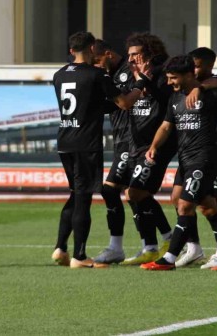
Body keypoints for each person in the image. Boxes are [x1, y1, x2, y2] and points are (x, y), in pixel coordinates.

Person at [141, 55, 217, 271]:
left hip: (205, 159)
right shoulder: (175, 97)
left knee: (185, 205)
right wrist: (153, 147)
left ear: (189, 75)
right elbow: (166, 126)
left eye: (173, 78)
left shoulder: (212, 96)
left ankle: (169, 259)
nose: (169, 82)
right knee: (206, 206)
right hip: (185, 159)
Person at [51, 32, 143, 269]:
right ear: (92, 48)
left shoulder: (59, 74)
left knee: (75, 193)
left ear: (71, 51)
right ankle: (80, 256)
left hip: (65, 140)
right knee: (83, 198)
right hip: (86, 143)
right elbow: (124, 103)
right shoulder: (97, 74)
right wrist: (140, 85)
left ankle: (61, 248)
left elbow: (90, 106)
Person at [171, 47, 217, 269]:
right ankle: (193, 247)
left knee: (215, 201)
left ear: (209, 66)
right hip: (192, 152)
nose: (193, 70)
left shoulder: (216, 85)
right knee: (178, 197)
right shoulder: (183, 89)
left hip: (216, 150)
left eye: (197, 66)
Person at [119, 33, 176, 266]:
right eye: (129, 55)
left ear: (150, 53)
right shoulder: (129, 75)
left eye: (136, 54)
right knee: (135, 195)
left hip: (156, 145)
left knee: (134, 193)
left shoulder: (163, 74)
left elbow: (165, 99)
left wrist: (145, 79)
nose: (131, 59)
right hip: (135, 143)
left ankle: (170, 239)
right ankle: (150, 247)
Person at [91, 39, 135, 265]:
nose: (96, 66)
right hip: (121, 138)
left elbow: (124, 102)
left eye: (97, 61)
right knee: (135, 194)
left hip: (131, 139)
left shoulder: (127, 71)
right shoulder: (110, 74)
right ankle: (159, 241)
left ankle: (116, 247)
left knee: (110, 190)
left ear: (108, 54)